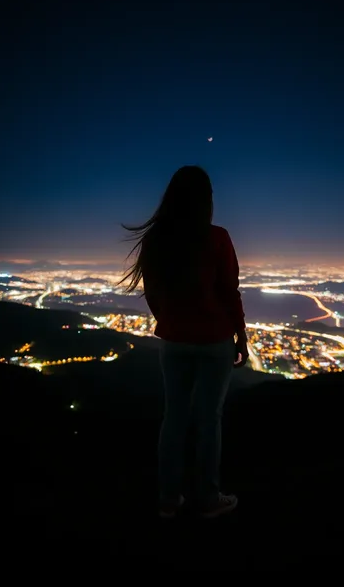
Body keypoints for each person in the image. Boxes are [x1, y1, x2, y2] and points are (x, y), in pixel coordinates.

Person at [119, 165, 249, 519]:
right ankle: (207, 498)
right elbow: (229, 292)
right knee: (210, 421)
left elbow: (153, 294)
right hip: (215, 342)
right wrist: (241, 335)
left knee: (173, 418)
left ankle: (168, 499)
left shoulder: (157, 240)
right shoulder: (217, 237)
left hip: (174, 341)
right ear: (206, 200)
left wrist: (170, 321)